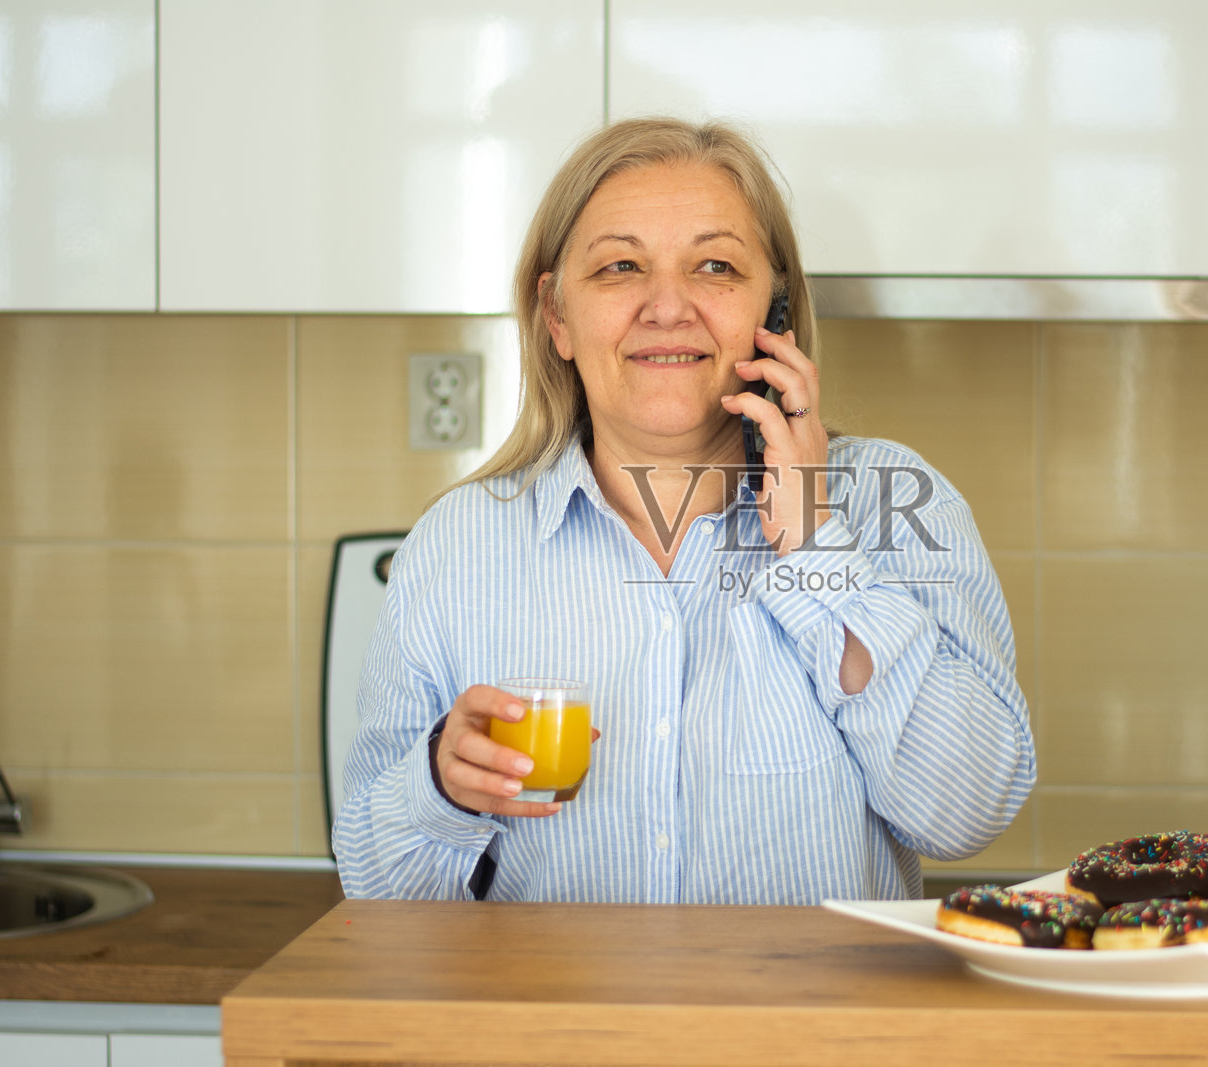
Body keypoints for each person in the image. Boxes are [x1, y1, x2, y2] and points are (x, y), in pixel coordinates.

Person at [334, 117, 1035, 905]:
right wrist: (441, 786)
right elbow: (374, 889)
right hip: (558, 1032)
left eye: (714, 265)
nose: (667, 307)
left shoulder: (896, 505)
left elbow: (967, 812)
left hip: (813, 1033)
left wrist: (818, 551)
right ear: (557, 317)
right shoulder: (455, 547)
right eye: (620, 266)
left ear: (775, 315)